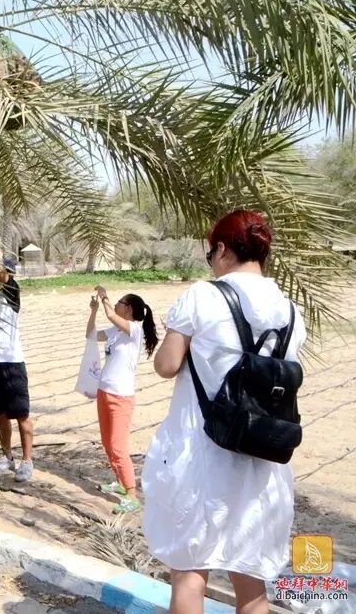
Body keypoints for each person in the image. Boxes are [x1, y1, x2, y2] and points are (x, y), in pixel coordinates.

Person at [144, 211, 305, 614]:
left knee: (189, 574)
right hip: (261, 462)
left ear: (221, 250)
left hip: (201, 457)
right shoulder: (289, 310)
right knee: (250, 585)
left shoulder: (202, 296)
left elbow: (166, 365)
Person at [86, 286, 159, 514]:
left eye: (120, 302)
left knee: (118, 446)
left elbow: (111, 314)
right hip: (104, 392)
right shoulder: (115, 332)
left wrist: (104, 295)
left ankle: (131, 495)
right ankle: (119, 482)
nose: (115, 304)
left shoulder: (134, 330)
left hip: (121, 396)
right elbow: (91, 335)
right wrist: (93, 311)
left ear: (128, 309)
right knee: (107, 443)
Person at [0, 256, 34, 483]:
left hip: (12, 362)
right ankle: (7, 457)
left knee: (21, 415)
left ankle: (27, 461)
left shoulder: (12, 291)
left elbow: (3, 276)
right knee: (1, 416)